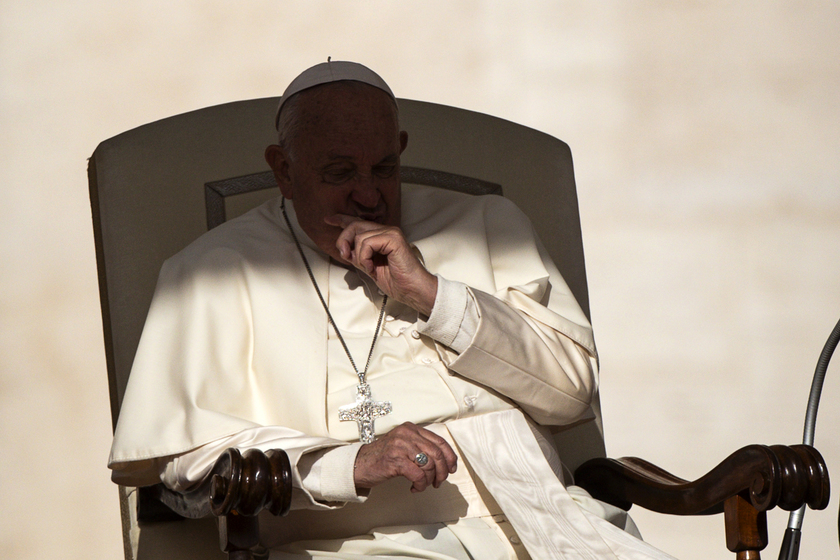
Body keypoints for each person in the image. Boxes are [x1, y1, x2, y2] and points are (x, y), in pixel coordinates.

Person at [109, 61, 674, 559]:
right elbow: (188, 466)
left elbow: (574, 394)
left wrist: (434, 296)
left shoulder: (487, 225)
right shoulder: (211, 271)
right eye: (338, 173)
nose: (367, 195)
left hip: (547, 525)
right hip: (346, 546)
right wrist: (349, 463)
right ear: (282, 168)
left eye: (383, 168)